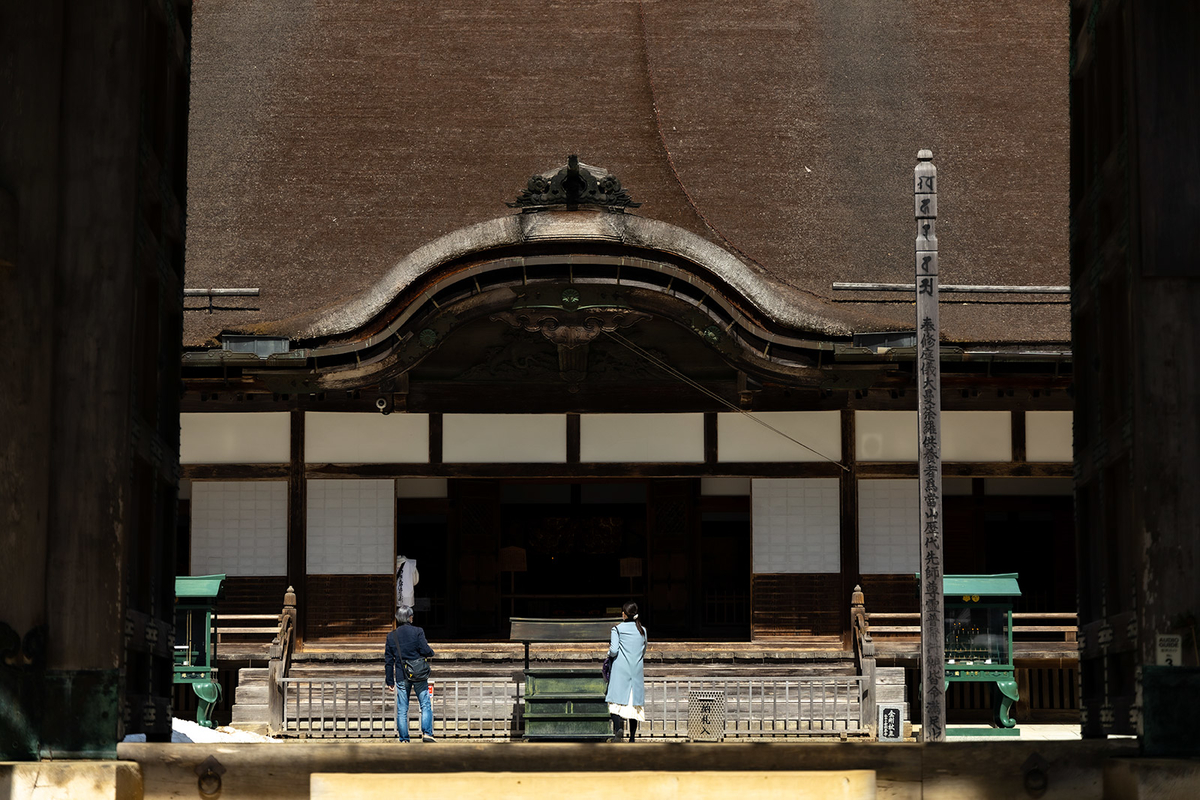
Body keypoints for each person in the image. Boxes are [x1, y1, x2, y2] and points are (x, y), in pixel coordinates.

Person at [384, 604, 435, 742]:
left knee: (402, 708)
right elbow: (425, 649)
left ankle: (404, 739)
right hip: (418, 673)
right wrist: (431, 653)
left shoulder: (391, 636)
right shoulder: (418, 631)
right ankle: (427, 734)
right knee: (425, 704)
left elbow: (388, 660)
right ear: (409, 617)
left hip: (401, 675)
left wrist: (389, 680)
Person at [605, 600, 647, 742]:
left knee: (615, 702)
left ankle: (618, 729)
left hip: (620, 669)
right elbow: (643, 651)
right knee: (633, 704)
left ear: (624, 614)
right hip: (636, 670)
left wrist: (608, 654)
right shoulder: (643, 630)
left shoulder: (617, 629)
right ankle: (633, 737)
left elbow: (614, 650)